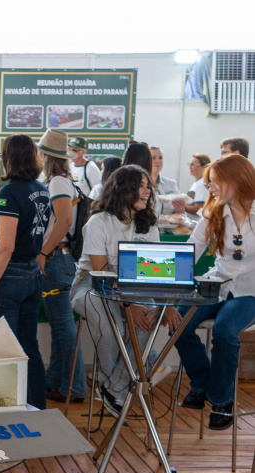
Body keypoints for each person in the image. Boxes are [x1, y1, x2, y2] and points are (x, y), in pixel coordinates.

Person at [70, 165, 169, 415]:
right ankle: (123, 380)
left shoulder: (149, 227)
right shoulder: (98, 222)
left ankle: (114, 387)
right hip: (90, 286)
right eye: (142, 185)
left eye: (149, 186)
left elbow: (154, 274)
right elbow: (100, 273)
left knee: (148, 320)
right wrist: (128, 306)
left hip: (132, 289)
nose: (148, 190)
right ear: (124, 188)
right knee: (109, 325)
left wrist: (165, 305)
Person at [174, 154, 255, 430]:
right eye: (209, 184)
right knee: (178, 323)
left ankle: (221, 401)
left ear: (237, 180)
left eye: (215, 183)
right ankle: (202, 384)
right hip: (216, 284)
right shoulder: (213, 213)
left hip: (249, 292)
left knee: (224, 331)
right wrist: (169, 280)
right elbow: (192, 250)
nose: (210, 190)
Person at [0, 134, 50, 410]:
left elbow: (4, 248)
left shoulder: (11, 192)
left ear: (9, 158)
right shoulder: (41, 189)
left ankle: (7, 414)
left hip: (10, 276)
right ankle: (36, 409)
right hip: (31, 273)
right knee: (29, 347)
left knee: (3, 350)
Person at [36, 129, 85, 403]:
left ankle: (75, 387)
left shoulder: (56, 183)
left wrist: (43, 251)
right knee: (59, 325)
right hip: (63, 259)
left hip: (57, 258)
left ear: (45, 155)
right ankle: (58, 381)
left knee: (64, 326)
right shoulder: (64, 181)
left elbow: (64, 221)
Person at [150, 147, 182, 214]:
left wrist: (179, 210)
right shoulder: (140, 185)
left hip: (169, 224)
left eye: (160, 158)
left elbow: (179, 213)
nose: (158, 160)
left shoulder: (171, 184)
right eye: (153, 158)